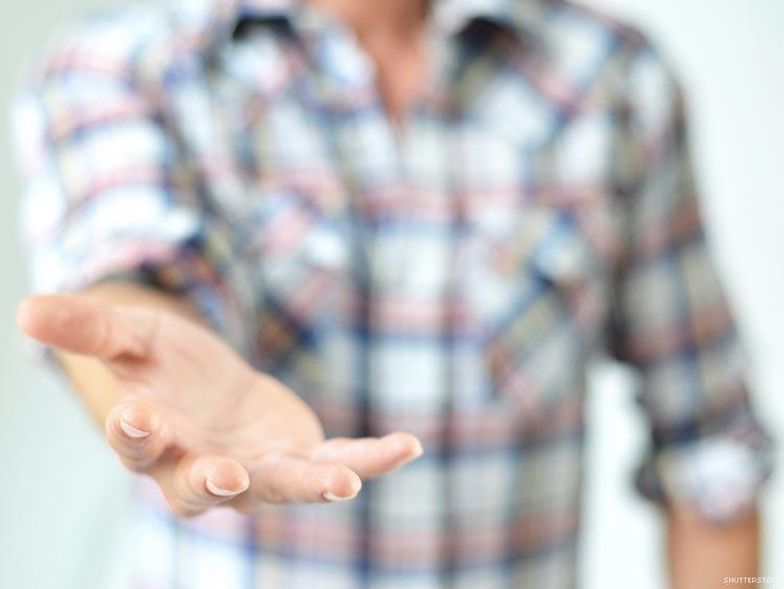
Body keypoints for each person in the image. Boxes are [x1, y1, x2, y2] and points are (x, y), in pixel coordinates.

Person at [12, 0, 774, 587]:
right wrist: (154, 369)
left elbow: (711, 456)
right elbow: (131, 270)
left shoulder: (612, 77)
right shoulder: (124, 66)